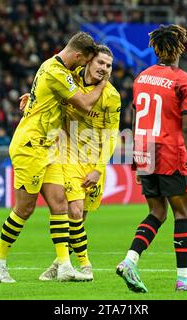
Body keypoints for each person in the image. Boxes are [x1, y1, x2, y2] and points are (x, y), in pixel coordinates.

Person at [0, 32, 107, 283]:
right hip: (30, 146)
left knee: (59, 204)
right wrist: (103, 84)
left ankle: (64, 266)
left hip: (49, 147)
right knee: (25, 208)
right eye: (84, 62)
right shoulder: (56, 72)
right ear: (77, 55)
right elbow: (85, 103)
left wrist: (32, 98)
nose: (83, 67)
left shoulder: (52, 65)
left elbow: (48, 95)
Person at [116, 24, 187, 293]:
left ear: (155, 48)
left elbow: (134, 120)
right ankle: (184, 279)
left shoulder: (141, 77)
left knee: (157, 211)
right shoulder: (185, 82)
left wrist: (136, 157)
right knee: (182, 212)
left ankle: (130, 260)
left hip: (145, 151)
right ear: (180, 47)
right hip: (169, 152)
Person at [34, 45, 121, 281]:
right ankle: (85, 266)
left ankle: (60, 264)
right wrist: (32, 97)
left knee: (80, 218)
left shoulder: (111, 96)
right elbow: (48, 86)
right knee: (73, 210)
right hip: (68, 155)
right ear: (89, 62)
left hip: (93, 161)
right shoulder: (70, 80)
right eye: (101, 63)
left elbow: (112, 136)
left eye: (108, 66)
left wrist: (98, 169)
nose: (104, 68)